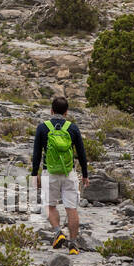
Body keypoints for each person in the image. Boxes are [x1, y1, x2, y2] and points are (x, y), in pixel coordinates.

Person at [31, 96, 89, 255]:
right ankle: (73, 244)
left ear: (51, 110)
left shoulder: (43, 127)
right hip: (69, 172)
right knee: (71, 208)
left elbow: (36, 154)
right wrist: (85, 174)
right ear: (66, 112)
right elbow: (81, 153)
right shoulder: (73, 128)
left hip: (49, 172)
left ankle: (58, 232)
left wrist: (33, 174)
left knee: (50, 206)